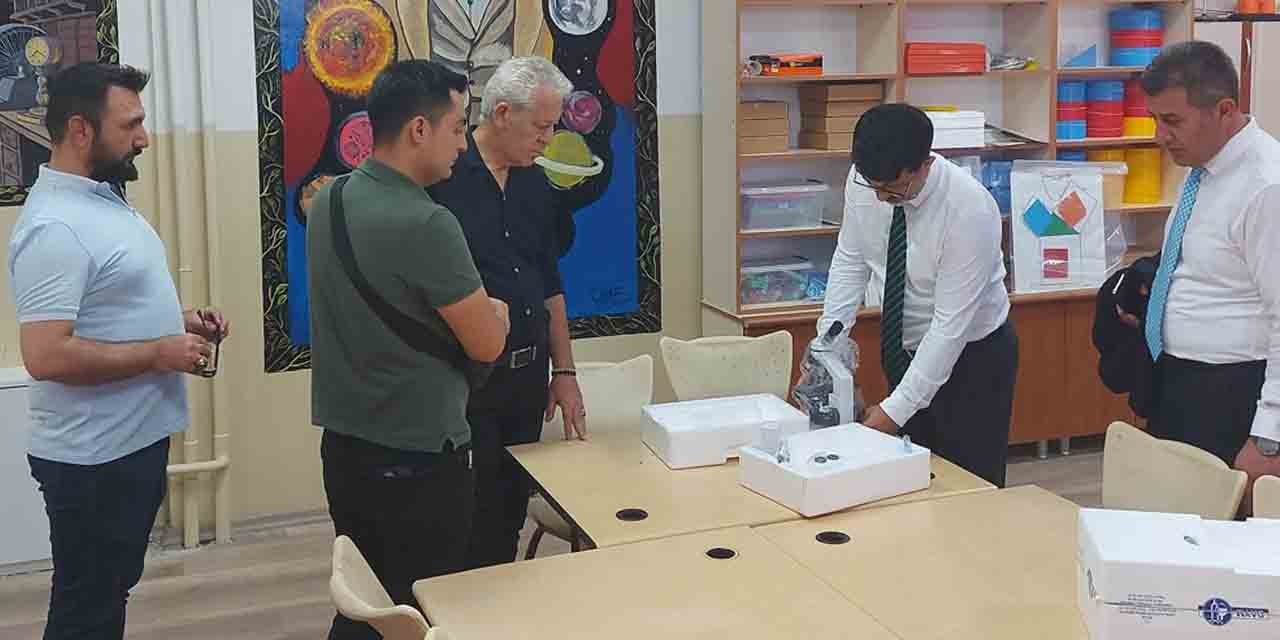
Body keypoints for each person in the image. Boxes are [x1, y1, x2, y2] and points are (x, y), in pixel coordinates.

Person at [8, 62, 230, 640]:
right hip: (93, 462)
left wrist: (180, 322)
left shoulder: (102, 200)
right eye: (131, 124)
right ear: (80, 130)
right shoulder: (56, 226)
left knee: (105, 597)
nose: (144, 138)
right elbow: (46, 356)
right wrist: (158, 351)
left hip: (127, 446)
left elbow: (105, 309)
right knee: (86, 612)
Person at [307, 60, 510, 640]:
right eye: (457, 128)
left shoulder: (330, 201)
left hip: (345, 446)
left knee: (369, 602)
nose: (463, 146)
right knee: (420, 606)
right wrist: (495, 312)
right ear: (419, 129)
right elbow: (487, 342)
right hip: (420, 455)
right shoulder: (428, 223)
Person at [428, 56, 586, 569]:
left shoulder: (535, 185)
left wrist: (564, 373)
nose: (548, 139)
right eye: (541, 126)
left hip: (526, 382)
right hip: (464, 383)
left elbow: (550, 286)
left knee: (508, 515)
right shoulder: (443, 178)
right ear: (501, 114)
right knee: (461, 519)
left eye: (554, 126)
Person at [815, 103, 1018, 487]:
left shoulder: (969, 209)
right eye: (873, 186)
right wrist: (827, 344)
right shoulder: (865, 179)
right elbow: (851, 259)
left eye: (893, 190)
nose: (880, 198)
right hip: (904, 347)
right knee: (909, 481)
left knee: (967, 487)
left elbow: (949, 327)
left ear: (925, 164)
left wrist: (895, 411)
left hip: (973, 359)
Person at [1122, 41, 1280, 508]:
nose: (1160, 135)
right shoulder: (1204, 170)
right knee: (1174, 525)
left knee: (1221, 537)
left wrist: (1268, 436)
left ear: (1224, 110)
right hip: (1179, 382)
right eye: (1155, 119)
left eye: (1172, 121)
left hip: (1235, 393)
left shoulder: (1266, 187)